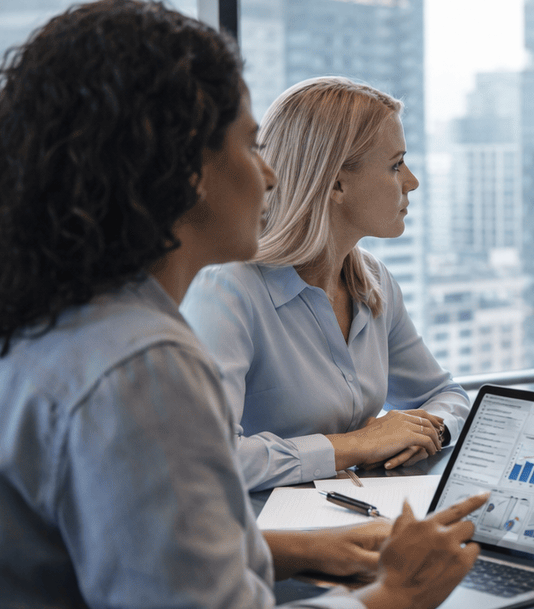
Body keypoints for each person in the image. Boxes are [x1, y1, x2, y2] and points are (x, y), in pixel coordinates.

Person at [0, 0, 487, 609]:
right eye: (249, 143)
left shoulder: (36, 325)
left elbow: (99, 561)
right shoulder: (141, 365)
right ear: (184, 170)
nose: (271, 171)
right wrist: (395, 597)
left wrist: (282, 550)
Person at [181, 77, 469, 492]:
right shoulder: (228, 290)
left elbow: (444, 393)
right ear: (335, 183)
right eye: (395, 164)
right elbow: (210, 459)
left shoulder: (374, 282)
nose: (411, 181)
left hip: (354, 518)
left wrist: (432, 431)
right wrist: (353, 446)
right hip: (266, 543)